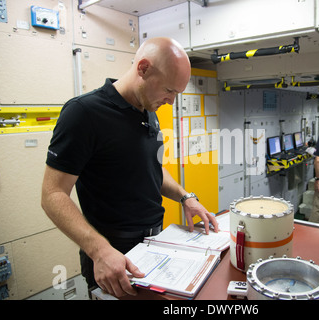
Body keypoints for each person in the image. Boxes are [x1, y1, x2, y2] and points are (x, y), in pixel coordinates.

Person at [41, 37, 219, 298]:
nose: (170, 101)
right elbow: (52, 195)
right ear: (143, 68)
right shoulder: (83, 113)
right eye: (169, 90)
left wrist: (185, 197)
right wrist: (99, 250)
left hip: (154, 243)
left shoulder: (149, 110)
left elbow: (152, 168)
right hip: (113, 253)